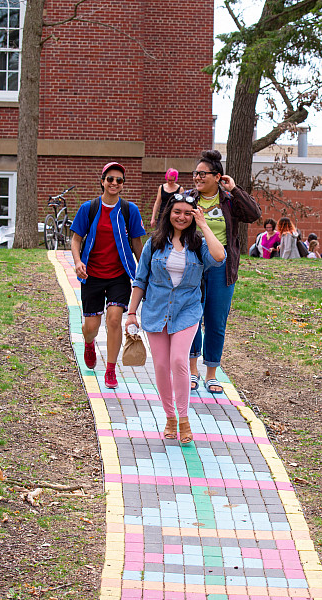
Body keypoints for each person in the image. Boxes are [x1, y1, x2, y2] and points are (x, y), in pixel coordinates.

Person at [125, 194, 226, 443]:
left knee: (179, 360)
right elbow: (140, 280)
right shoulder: (154, 243)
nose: (181, 217)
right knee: (160, 365)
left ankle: (184, 418)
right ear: (169, 213)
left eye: (187, 213)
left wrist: (203, 225)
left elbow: (220, 256)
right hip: (156, 310)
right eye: (177, 211)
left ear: (194, 216)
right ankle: (170, 417)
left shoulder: (198, 244)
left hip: (187, 310)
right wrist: (131, 314)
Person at [187, 149, 262, 395]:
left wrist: (235, 189)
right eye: (195, 173)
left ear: (217, 176)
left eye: (203, 174)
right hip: (193, 265)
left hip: (222, 266)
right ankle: (192, 370)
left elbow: (254, 214)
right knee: (192, 319)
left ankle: (211, 373)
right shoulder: (188, 198)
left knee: (216, 321)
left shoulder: (229, 200)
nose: (197, 178)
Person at [70, 162, 147, 389]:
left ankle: (111, 370)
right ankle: (88, 343)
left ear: (123, 185)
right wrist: (77, 262)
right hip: (92, 274)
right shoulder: (89, 208)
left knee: (114, 319)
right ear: (102, 181)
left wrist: (144, 271)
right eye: (110, 179)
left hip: (119, 275)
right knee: (91, 326)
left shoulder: (128, 210)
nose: (114, 183)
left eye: (119, 180)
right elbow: (75, 239)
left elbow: (136, 243)